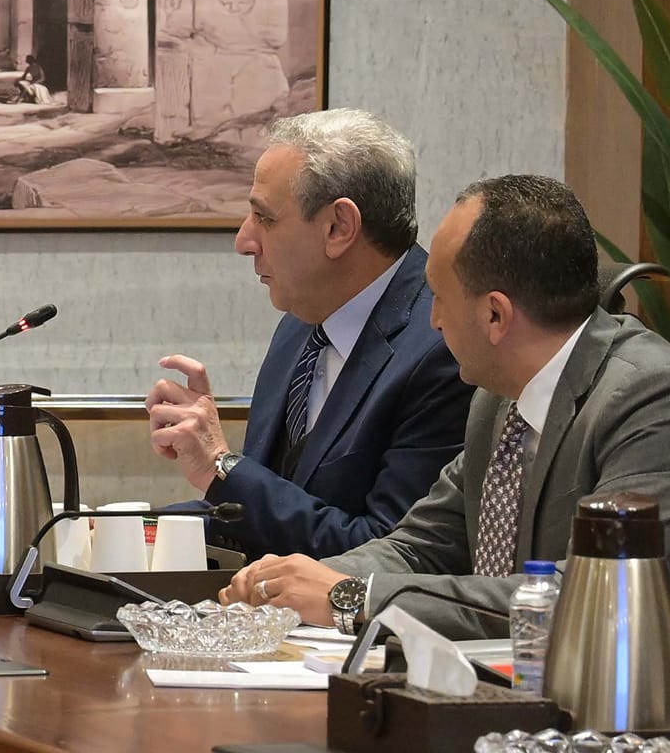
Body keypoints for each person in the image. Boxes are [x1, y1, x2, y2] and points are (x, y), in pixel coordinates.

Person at [223, 175, 670, 638]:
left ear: (495, 315)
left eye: (439, 297)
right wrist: (291, 582)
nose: (433, 321)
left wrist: (354, 597)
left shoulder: (659, 401)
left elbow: (590, 597)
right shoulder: (497, 399)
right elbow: (420, 546)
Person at [146, 109, 473, 560]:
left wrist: (221, 467)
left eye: (264, 217)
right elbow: (260, 516)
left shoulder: (444, 345)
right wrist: (122, 529)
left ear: (339, 227)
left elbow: (389, 555)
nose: (243, 241)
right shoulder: (301, 321)